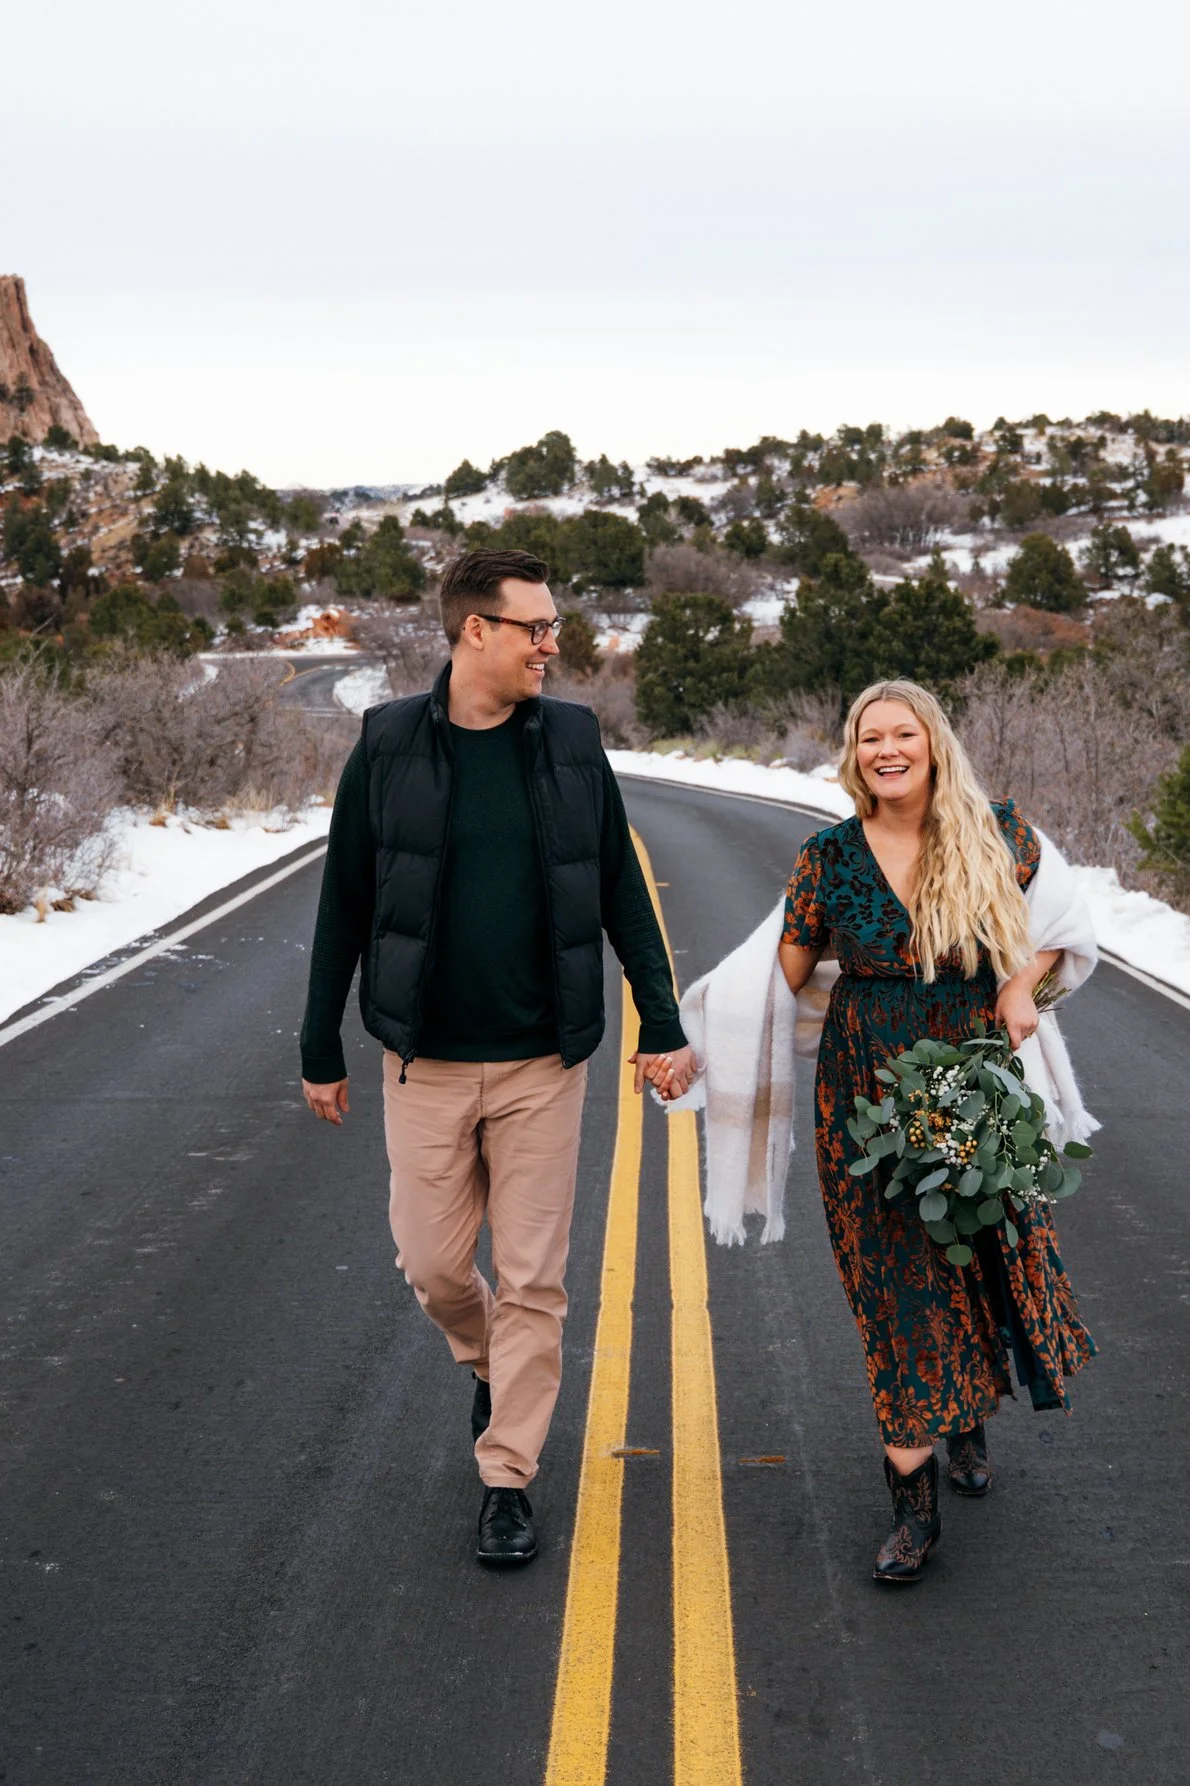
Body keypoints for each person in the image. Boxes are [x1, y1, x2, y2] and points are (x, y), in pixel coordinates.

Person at [300, 546, 698, 1566]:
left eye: (551, 626)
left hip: (540, 1062)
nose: (550, 645)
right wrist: (319, 1041)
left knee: (531, 1278)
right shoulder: (388, 744)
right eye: (534, 627)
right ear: (474, 629)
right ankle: (491, 1362)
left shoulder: (568, 740)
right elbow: (344, 895)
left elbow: (618, 888)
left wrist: (660, 1019)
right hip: (423, 1062)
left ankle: (506, 1475)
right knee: (434, 1266)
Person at [776, 679, 1095, 1583]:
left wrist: (1017, 984)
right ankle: (914, 1512)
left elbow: (1064, 927)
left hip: (971, 1078)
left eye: (901, 733)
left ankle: (966, 1412)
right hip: (863, 1091)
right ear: (854, 753)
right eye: (869, 736)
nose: (886, 749)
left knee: (968, 1252)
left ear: (932, 742)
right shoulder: (827, 859)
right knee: (892, 1281)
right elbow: (786, 972)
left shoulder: (1000, 834)